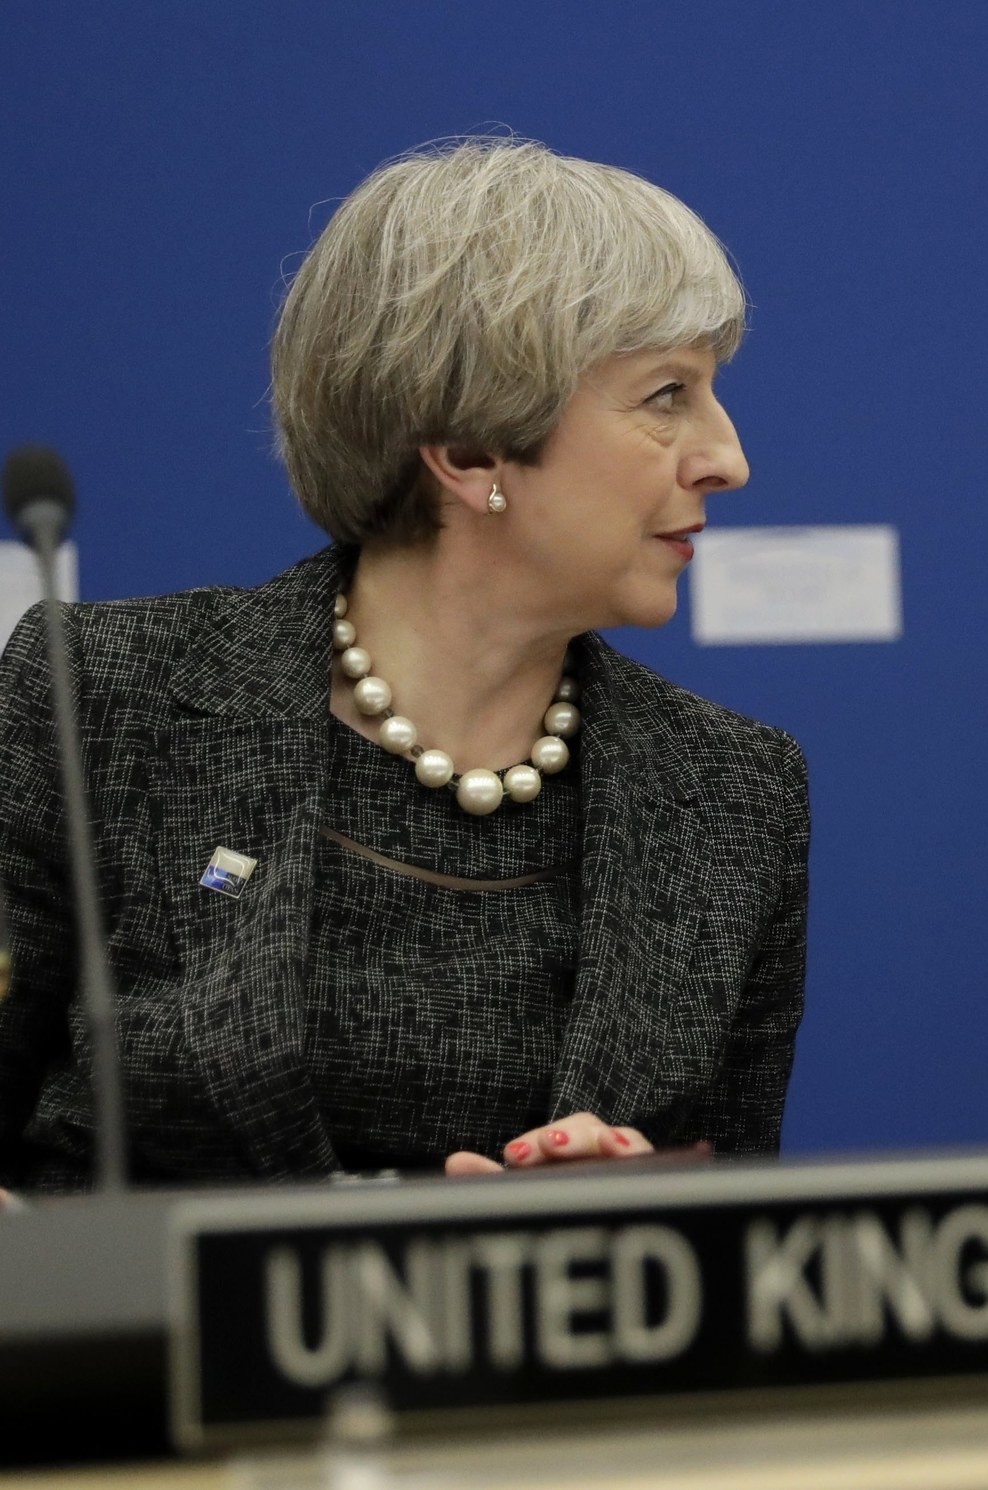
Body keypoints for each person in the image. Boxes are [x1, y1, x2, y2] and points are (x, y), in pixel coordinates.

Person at [0, 140, 809, 1191]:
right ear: (470, 450)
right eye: (666, 395)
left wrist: (629, 1203)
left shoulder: (734, 795)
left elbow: (749, 1248)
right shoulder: (100, 702)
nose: (727, 455)